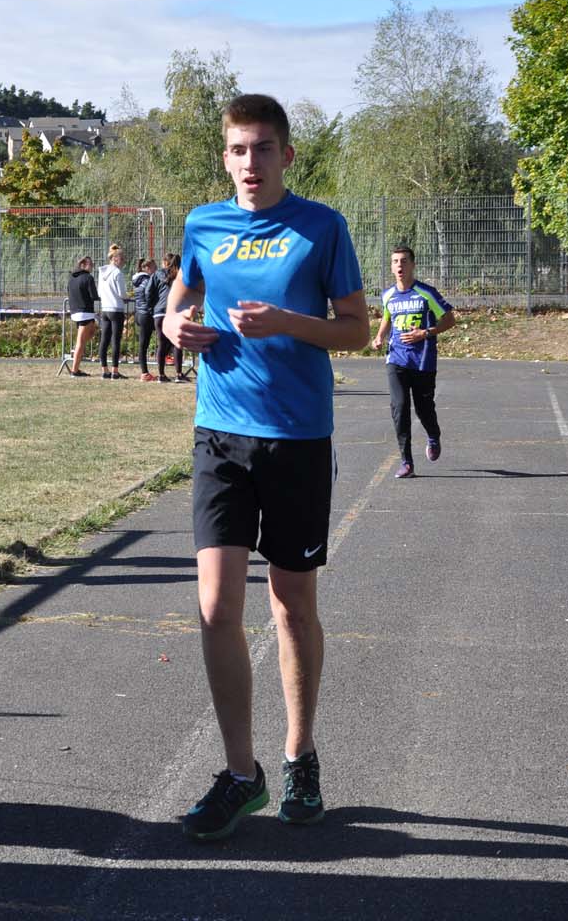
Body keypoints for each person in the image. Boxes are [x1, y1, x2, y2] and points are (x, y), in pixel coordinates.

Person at [161, 94, 368, 841]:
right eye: (239, 150)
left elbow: (357, 330)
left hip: (297, 439)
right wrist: (172, 324)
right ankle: (240, 773)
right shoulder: (203, 224)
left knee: (290, 607)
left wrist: (286, 323)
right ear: (225, 157)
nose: (252, 163)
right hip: (220, 435)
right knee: (216, 608)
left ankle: (299, 755)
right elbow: (181, 295)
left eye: (265, 148)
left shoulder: (321, 227)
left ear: (287, 155)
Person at [371, 246, 456, 479]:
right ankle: (407, 462)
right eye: (395, 262)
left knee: (424, 408)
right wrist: (379, 336)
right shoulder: (388, 295)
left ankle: (433, 435)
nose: (399, 266)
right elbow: (388, 317)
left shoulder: (426, 293)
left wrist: (425, 332)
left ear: (413, 265)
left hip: (422, 361)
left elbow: (449, 320)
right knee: (399, 407)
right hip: (396, 357)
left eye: (404, 261)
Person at [97, 243, 129, 379]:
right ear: (115, 259)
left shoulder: (102, 272)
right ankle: (115, 371)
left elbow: (99, 291)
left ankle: (105, 370)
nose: (123, 262)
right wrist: (127, 297)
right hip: (116, 308)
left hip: (105, 308)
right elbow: (121, 293)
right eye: (122, 259)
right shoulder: (117, 273)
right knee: (116, 340)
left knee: (104, 340)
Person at [65, 255, 98, 377]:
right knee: (81, 341)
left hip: (75, 312)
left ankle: (76, 360)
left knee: (85, 337)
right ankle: (74, 370)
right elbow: (94, 295)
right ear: (83, 265)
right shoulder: (88, 278)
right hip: (86, 312)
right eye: (90, 264)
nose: (92, 266)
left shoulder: (71, 278)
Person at [134, 258, 163, 381]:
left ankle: (144, 372)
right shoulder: (147, 280)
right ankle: (144, 373)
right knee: (144, 344)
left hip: (139, 312)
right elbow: (149, 295)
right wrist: (152, 308)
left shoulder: (137, 280)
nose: (155, 270)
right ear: (147, 268)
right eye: (154, 268)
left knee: (143, 344)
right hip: (146, 313)